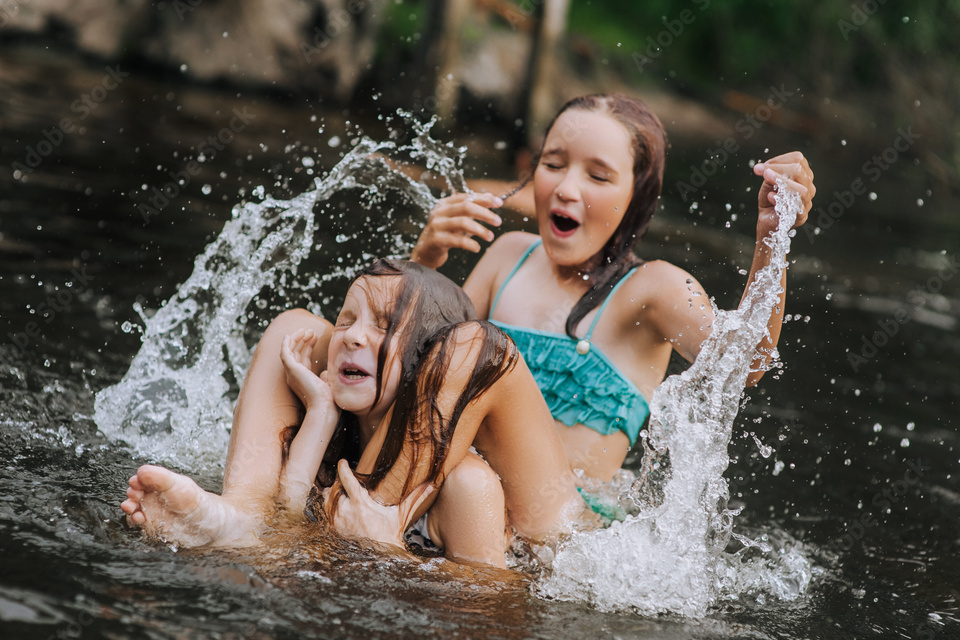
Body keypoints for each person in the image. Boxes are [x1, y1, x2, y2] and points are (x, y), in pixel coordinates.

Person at [409, 93, 816, 489]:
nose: (566, 188)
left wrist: (770, 238)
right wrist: (424, 261)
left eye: (598, 176)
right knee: (345, 336)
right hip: (455, 498)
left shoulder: (653, 288)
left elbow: (746, 362)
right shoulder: (506, 256)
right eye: (553, 163)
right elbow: (413, 369)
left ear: (635, 197)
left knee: (469, 480)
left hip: (554, 532)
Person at [121, 259, 592, 567]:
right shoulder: (337, 433)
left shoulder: (468, 487)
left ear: (428, 365)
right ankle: (235, 515)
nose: (350, 335)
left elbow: (494, 612)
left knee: (475, 342)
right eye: (347, 318)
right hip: (348, 529)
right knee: (294, 325)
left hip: (549, 558)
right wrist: (322, 413)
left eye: (382, 326)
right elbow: (293, 511)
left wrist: (391, 555)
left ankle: (243, 536)